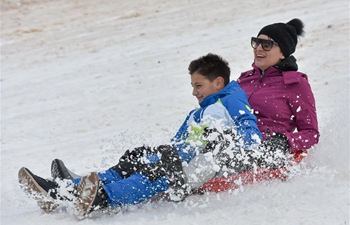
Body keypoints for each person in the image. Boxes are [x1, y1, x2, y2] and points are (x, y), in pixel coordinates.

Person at [18, 53, 262, 217]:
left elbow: (251, 135)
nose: (194, 92)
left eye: (198, 86)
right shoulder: (196, 114)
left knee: (150, 175)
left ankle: (96, 197)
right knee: (134, 161)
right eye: (192, 86)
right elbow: (177, 144)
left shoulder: (231, 101)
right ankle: (65, 188)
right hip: (179, 159)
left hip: (193, 169)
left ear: (218, 83)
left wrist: (223, 142)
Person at [237, 18, 320, 159]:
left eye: (267, 45)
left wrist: (285, 141)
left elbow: (311, 133)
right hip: (235, 143)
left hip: (267, 152)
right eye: (256, 42)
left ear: (283, 53)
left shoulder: (295, 84)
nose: (258, 48)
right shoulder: (243, 80)